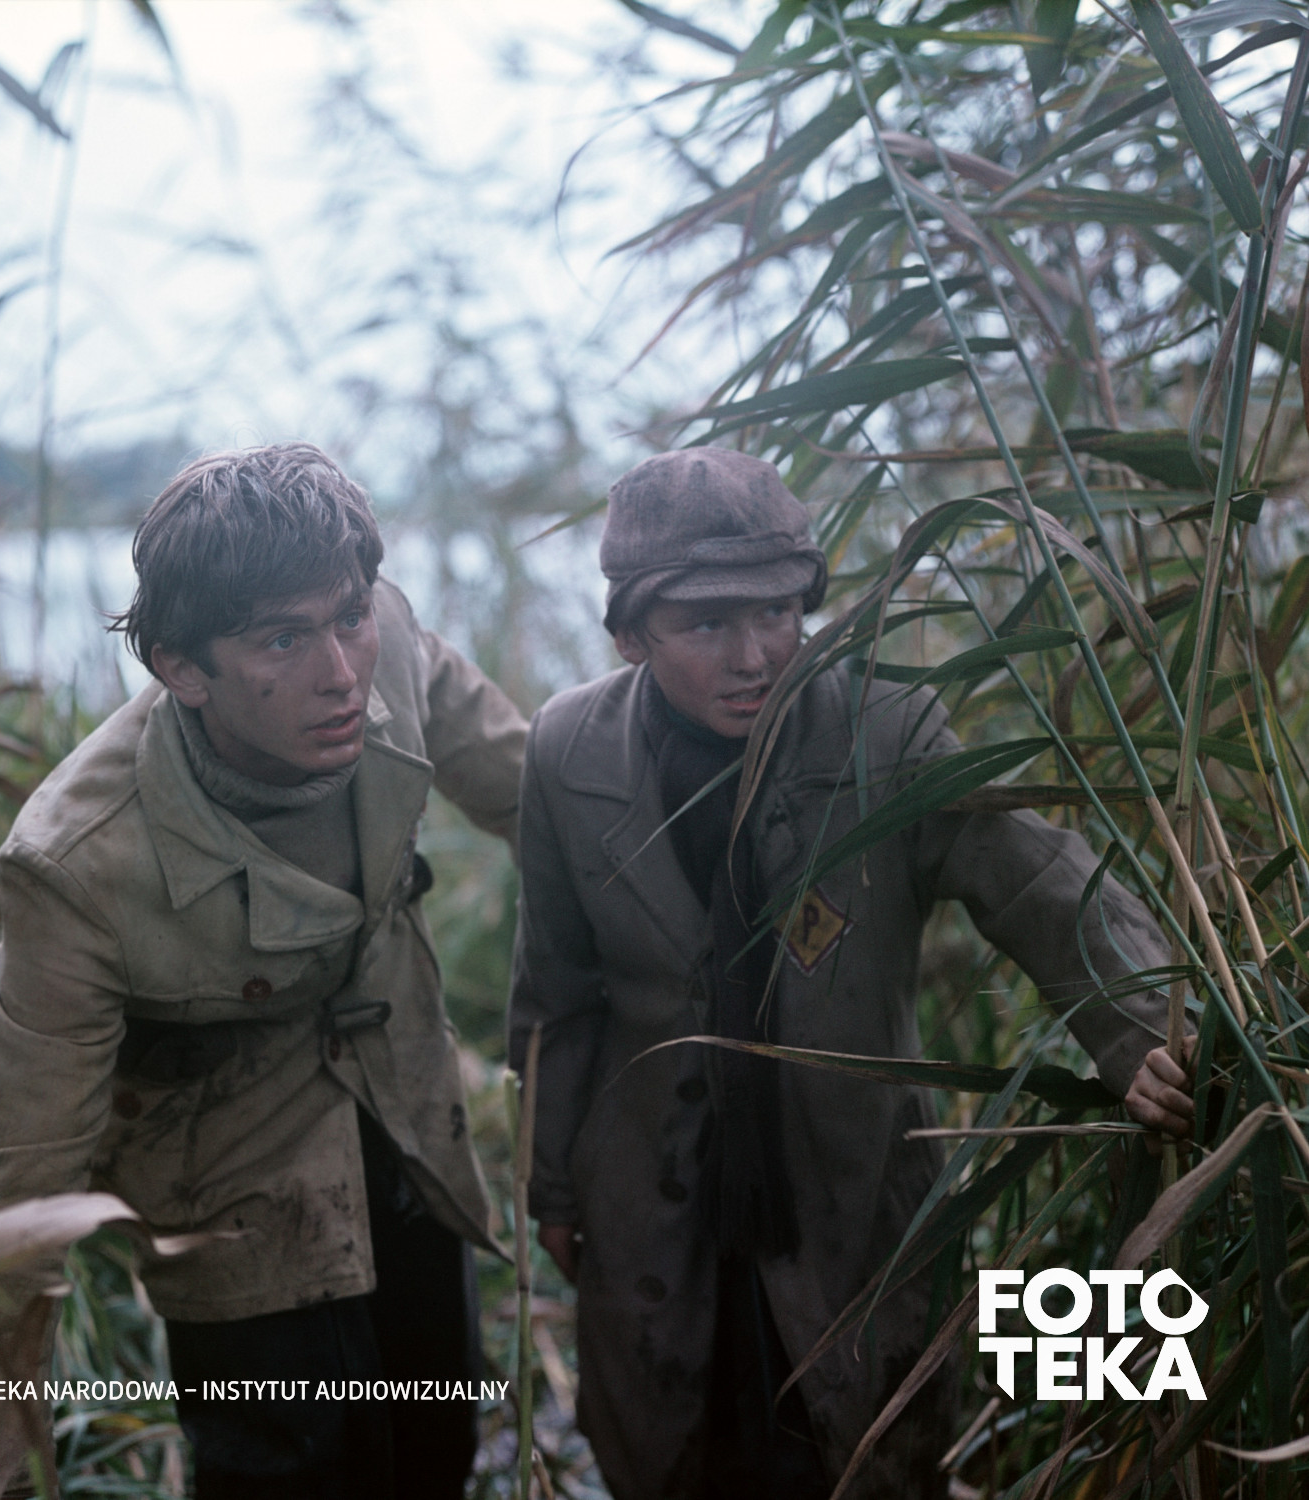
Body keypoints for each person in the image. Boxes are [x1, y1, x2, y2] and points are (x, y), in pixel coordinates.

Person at [506, 447, 1195, 1500]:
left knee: (863, 1452)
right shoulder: (568, 751)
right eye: (707, 625)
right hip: (653, 1204)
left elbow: (1038, 883)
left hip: (852, 1194)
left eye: (779, 612)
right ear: (631, 634)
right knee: (670, 1447)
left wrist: (1141, 1031)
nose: (755, 656)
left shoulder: (885, 728)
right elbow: (556, 993)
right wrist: (553, 1185)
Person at [0, 443, 528, 1499]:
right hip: (227, 1174)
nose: (339, 672)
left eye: (348, 619)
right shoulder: (77, 865)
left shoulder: (385, 648)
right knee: (288, 1468)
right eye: (283, 639)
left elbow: (541, 793)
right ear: (182, 669)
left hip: (400, 1103)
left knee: (436, 1432)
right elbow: (8, 1187)